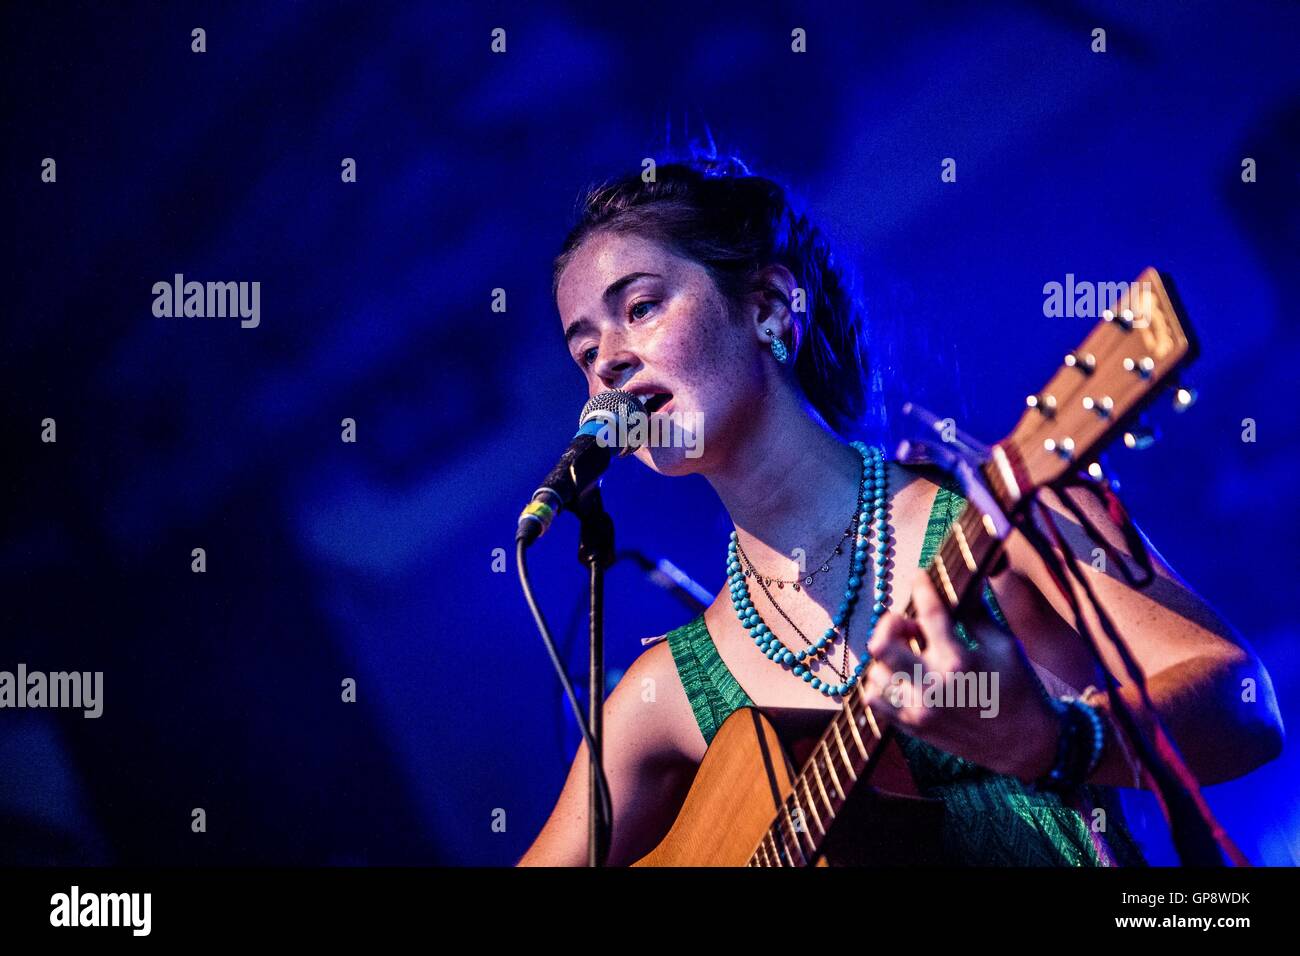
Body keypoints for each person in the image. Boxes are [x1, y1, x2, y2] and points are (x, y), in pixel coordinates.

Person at [516, 156, 1284, 866]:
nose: (608, 361)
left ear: (771, 307)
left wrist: (1054, 738)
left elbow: (1245, 705)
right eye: (585, 353)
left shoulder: (1000, 515)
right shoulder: (665, 695)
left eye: (641, 307)